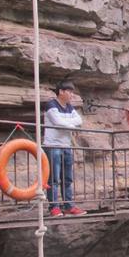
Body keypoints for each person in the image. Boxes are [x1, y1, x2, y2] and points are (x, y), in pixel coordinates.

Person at [43, 81, 86, 217]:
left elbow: (79, 120)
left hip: (66, 147)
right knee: (53, 179)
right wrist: (72, 127)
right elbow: (58, 122)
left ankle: (69, 207)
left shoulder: (69, 107)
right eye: (70, 92)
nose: (72, 95)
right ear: (61, 92)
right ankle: (54, 207)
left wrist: (68, 124)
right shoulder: (51, 105)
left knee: (67, 179)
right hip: (53, 146)